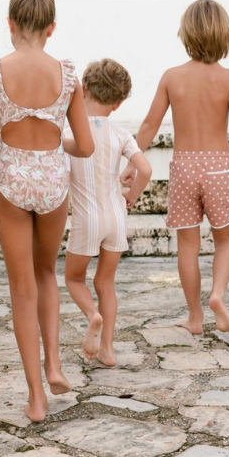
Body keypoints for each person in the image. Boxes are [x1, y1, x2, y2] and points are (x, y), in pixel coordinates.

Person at [0, 0, 93, 423]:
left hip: (11, 179)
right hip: (53, 179)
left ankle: (36, 397)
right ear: (51, 27)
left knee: (21, 288)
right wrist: (57, 151)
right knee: (47, 274)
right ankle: (55, 365)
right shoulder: (69, 73)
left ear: (10, 22)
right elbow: (87, 144)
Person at [132, 0, 229, 335]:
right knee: (226, 240)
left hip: (183, 167)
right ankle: (218, 296)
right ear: (225, 36)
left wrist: (133, 160)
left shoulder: (171, 77)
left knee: (187, 246)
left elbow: (150, 124)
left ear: (186, 34)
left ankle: (195, 318)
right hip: (217, 167)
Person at [62, 59, 152, 366]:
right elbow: (145, 169)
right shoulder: (121, 134)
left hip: (87, 219)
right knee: (106, 283)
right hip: (116, 217)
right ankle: (108, 350)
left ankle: (92, 315)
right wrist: (131, 197)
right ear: (118, 103)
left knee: (74, 279)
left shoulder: (68, 134)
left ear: (83, 90)